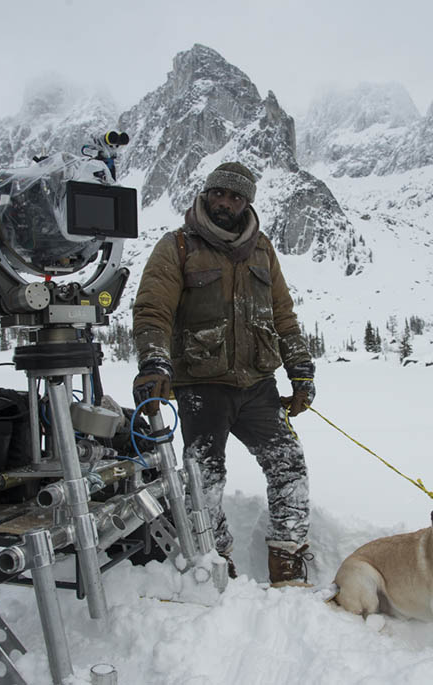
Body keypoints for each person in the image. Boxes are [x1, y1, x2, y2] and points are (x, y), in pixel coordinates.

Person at [132, 162, 316, 585]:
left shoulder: (262, 250)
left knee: (289, 465)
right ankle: (216, 558)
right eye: (220, 194)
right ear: (207, 193)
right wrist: (156, 362)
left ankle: (286, 556)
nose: (226, 203)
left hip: (258, 387)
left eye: (236, 197)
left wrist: (301, 371)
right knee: (204, 479)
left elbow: (283, 315)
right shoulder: (177, 246)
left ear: (246, 202)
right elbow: (152, 309)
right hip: (200, 386)